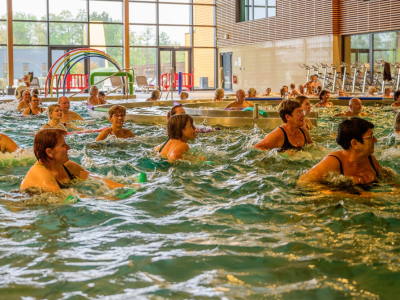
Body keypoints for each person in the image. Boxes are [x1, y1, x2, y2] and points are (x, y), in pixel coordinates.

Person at [20, 129, 125, 191]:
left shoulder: (68, 167)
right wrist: (105, 200)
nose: (69, 147)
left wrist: (125, 187)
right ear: (49, 152)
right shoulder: (40, 173)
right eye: (63, 145)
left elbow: (97, 180)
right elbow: (64, 196)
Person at [299, 118, 381, 185]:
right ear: (354, 143)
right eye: (370, 137)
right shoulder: (333, 161)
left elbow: (387, 178)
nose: (375, 140)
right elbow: (303, 182)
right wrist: (343, 195)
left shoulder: (369, 159)